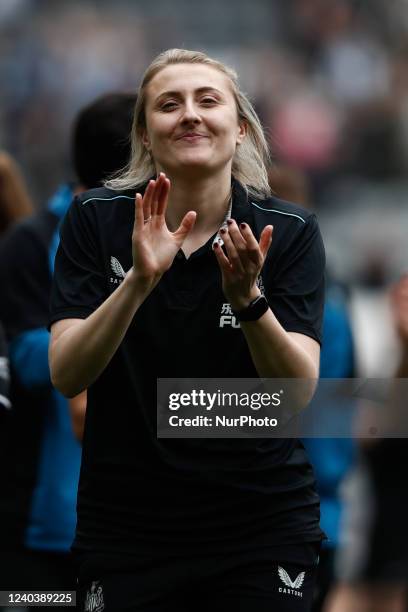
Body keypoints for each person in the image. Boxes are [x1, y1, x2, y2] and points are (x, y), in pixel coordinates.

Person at [49, 49, 326, 612]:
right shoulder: (96, 219)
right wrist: (138, 279)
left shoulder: (289, 231)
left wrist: (249, 300)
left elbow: (297, 392)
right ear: (145, 134)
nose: (191, 115)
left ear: (241, 128)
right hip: (126, 530)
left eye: (208, 100)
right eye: (169, 105)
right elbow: (66, 372)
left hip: (260, 526)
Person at [0, 92, 137, 609]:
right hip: (41, 524)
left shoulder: (166, 239)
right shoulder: (32, 242)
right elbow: (27, 356)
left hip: (134, 525)